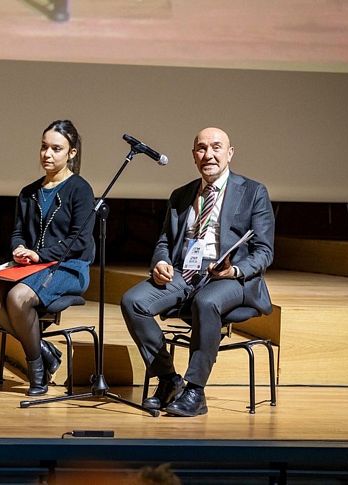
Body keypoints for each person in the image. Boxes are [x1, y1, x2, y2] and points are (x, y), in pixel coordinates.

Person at [121, 127, 274, 417]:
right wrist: (161, 262)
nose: (209, 154)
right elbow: (164, 241)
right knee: (134, 301)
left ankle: (195, 390)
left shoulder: (253, 192)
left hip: (230, 276)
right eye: (201, 149)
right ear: (194, 156)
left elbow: (264, 251)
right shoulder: (181, 195)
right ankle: (168, 379)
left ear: (229, 153)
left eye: (216, 147)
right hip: (185, 273)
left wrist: (236, 270)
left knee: (206, 302)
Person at [0, 120, 95, 396]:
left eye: (56, 148)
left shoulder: (80, 189)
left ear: (72, 153)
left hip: (69, 267)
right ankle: (45, 350)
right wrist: (19, 249)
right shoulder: (28, 192)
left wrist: (39, 254)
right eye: (44, 147)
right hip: (31, 268)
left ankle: (36, 369)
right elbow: (18, 233)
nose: (47, 154)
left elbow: (79, 241)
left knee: (17, 298)